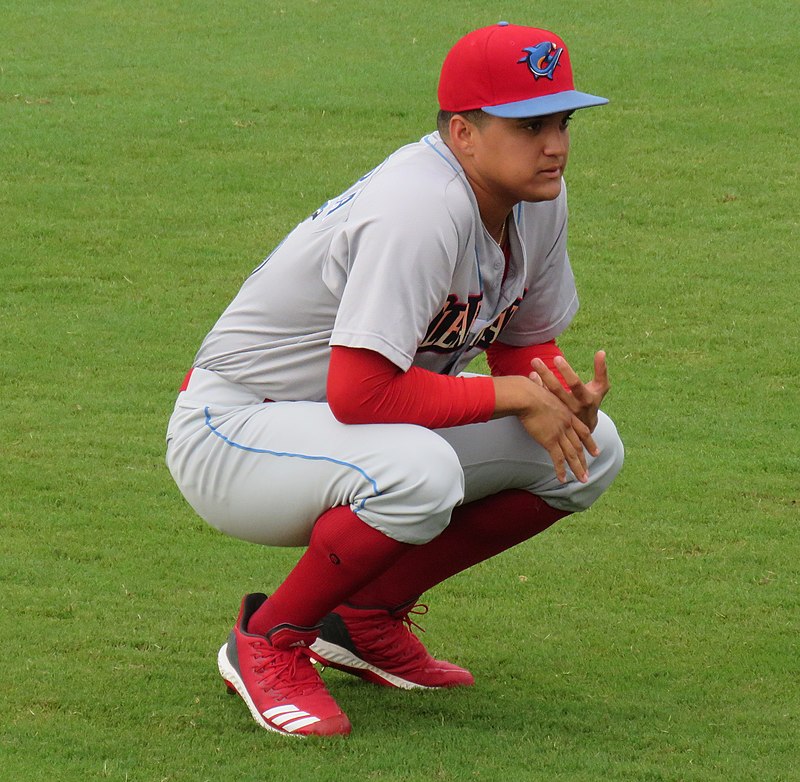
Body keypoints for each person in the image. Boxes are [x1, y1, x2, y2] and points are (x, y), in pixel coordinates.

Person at [166, 21, 624, 738]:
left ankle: (362, 617)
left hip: (345, 431)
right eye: (530, 124)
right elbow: (363, 394)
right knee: (418, 471)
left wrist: (557, 396)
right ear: (463, 132)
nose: (556, 144)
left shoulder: (536, 200)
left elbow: (523, 342)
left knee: (586, 453)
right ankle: (268, 638)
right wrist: (513, 396)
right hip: (235, 432)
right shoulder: (419, 207)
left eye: (563, 121)